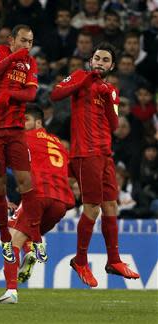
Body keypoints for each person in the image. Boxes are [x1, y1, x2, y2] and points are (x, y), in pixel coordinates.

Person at [50, 43, 140, 288]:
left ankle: (113, 260)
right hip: (85, 153)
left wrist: (108, 96)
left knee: (111, 205)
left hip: (105, 154)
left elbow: (113, 124)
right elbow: (56, 94)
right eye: (97, 58)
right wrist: (88, 78)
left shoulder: (110, 89)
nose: (100, 62)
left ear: (111, 66)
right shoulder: (80, 76)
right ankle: (80, 260)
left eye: (105, 60)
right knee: (92, 208)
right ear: (91, 61)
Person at [0, 24, 43, 266]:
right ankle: (5, 237)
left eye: (31, 41)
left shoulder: (31, 64)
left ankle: (35, 237)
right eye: (24, 40)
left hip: (15, 129)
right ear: (12, 40)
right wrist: (14, 57)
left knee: (27, 182)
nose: (28, 45)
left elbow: (31, 95)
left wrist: (12, 95)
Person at [0, 105, 74, 304]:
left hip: (38, 196)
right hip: (61, 202)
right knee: (27, 232)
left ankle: (11, 291)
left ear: (39, 123)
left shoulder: (24, 139)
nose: (21, 124)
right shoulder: (59, 145)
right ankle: (30, 251)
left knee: (11, 240)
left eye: (26, 120)